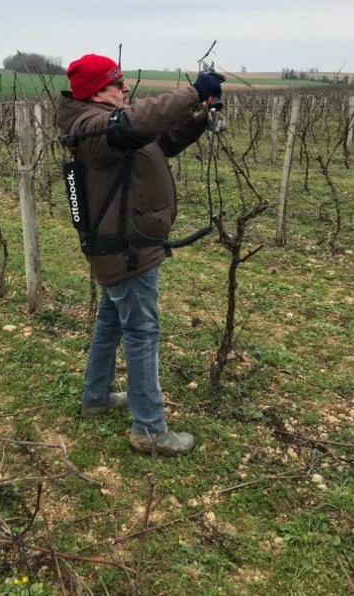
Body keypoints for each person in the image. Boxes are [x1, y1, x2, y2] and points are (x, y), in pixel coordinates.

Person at [56, 53, 224, 456]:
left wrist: (200, 114)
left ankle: (95, 398)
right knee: (142, 333)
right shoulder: (92, 126)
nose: (126, 88)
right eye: (117, 84)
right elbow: (137, 123)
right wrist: (192, 91)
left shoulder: (113, 123)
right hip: (126, 248)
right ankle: (149, 430)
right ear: (97, 93)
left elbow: (162, 139)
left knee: (111, 322)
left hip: (125, 243)